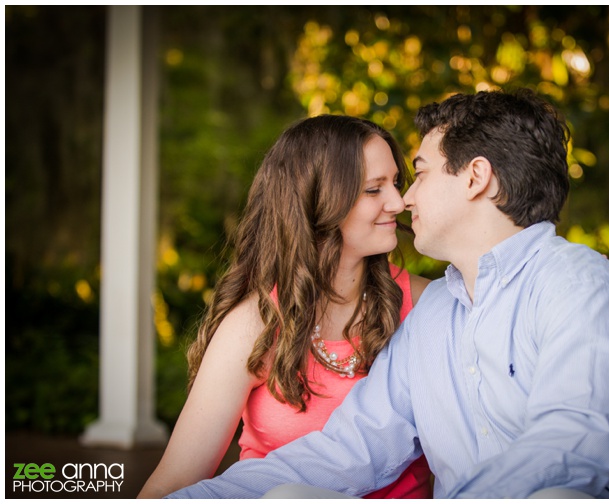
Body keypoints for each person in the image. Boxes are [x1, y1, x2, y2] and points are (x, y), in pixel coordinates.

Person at [166, 89, 609, 499]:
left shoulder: (577, 284)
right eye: (378, 187)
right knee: (291, 498)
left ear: (476, 177)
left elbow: (571, 444)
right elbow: (348, 449)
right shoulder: (433, 315)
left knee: (556, 500)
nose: (404, 199)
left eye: (420, 173)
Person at [138, 115, 432, 498]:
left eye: (395, 183)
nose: (398, 202)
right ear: (317, 200)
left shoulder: (426, 304)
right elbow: (177, 478)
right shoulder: (256, 323)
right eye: (374, 190)